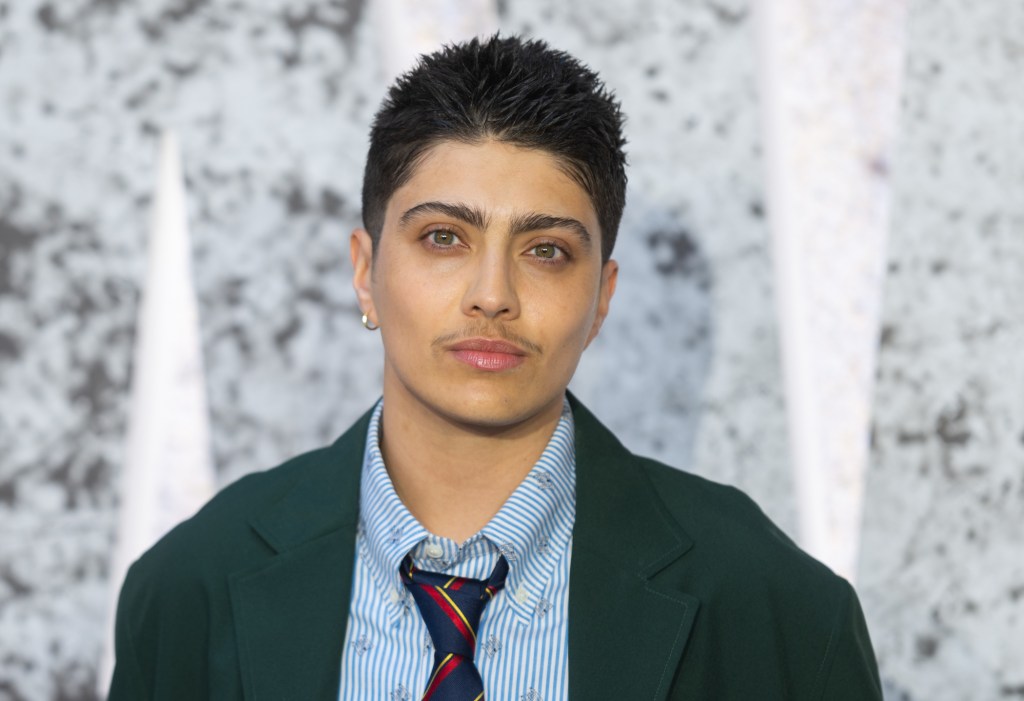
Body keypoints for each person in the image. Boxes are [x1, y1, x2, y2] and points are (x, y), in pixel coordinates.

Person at [108, 35, 882, 700]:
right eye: (444, 238)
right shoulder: (189, 591)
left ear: (602, 297)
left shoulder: (778, 612)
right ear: (364, 270)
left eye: (546, 251)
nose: (492, 296)